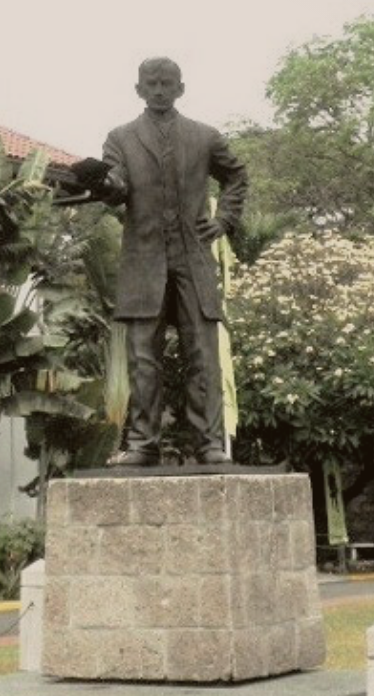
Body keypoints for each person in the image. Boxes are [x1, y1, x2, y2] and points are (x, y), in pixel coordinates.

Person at [99, 56, 248, 467]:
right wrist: (107, 185)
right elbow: (116, 184)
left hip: (193, 259)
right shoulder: (121, 138)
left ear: (181, 88)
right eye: (152, 83)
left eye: (167, 83)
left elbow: (236, 175)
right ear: (139, 89)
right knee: (143, 358)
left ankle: (209, 443)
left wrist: (224, 220)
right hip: (143, 262)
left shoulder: (204, 137)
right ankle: (143, 442)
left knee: (202, 353)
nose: (160, 89)